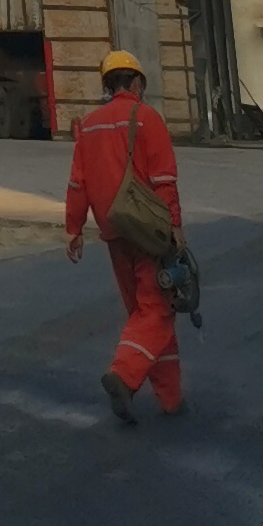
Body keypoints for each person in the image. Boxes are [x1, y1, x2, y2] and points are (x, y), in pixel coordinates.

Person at [65, 46, 185, 424]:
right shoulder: (147, 118)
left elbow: (77, 184)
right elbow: (164, 180)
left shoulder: (89, 126)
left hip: (113, 231)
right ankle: (124, 375)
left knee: (145, 313)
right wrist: (175, 226)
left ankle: (170, 398)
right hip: (148, 231)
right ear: (135, 83)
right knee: (158, 309)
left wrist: (74, 229)